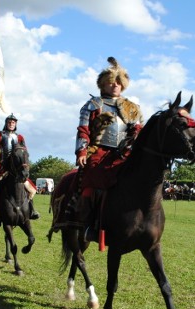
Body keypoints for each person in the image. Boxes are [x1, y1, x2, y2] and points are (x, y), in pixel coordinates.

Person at [74, 57, 143, 241]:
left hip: (124, 153)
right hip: (99, 151)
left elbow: (137, 130)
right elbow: (84, 130)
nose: (115, 85)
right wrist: (82, 151)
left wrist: (137, 134)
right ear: (103, 85)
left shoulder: (131, 108)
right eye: (111, 82)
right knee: (93, 177)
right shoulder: (93, 105)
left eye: (118, 82)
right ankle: (89, 224)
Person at [0, 114, 40, 221]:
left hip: (16, 167)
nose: (11, 124)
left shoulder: (20, 137)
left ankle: (31, 210)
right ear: (6, 124)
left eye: (13, 122)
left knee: (31, 189)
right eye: (9, 122)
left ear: (15, 124)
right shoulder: (0, 135)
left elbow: (24, 151)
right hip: (1, 166)